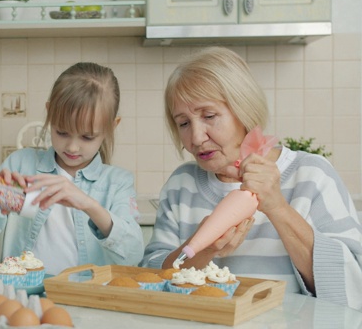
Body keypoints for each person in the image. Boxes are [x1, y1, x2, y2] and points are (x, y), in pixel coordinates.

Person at [141, 46, 362, 309]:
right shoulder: (181, 185)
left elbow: (352, 285)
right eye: (183, 123)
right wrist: (203, 250)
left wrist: (277, 207)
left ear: (243, 110)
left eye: (209, 116)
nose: (196, 137)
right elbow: (150, 277)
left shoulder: (312, 175)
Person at [0, 62, 144, 275]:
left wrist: (88, 205)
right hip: (25, 295)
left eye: (87, 137)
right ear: (50, 113)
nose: (72, 147)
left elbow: (133, 254)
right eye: (62, 132)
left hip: (86, 297)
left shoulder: (117, 182)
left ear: (111, 127)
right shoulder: (21, 165)